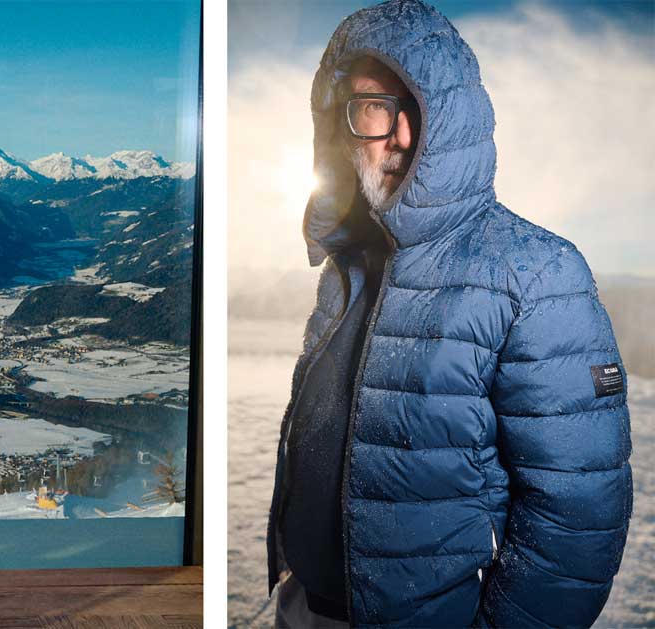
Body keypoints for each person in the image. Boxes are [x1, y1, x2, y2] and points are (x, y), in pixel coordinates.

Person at [265, 0, 633, 626]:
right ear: (340, 126)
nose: (402, 137)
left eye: (419, 108)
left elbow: (578, 516)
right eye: (375, 108)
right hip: (308, 606)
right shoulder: (351, 264)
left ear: (459, 120)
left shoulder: (537, 274)